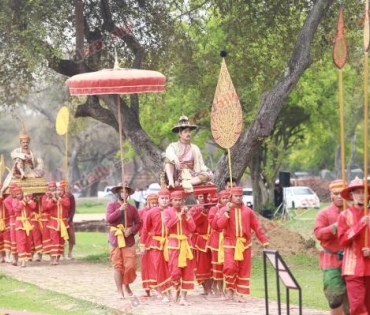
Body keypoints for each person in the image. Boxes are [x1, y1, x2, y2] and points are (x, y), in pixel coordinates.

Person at [216, 186, 269, 302]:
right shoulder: (224, 210)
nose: (238, 198)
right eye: (236, 196)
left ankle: (239, 294)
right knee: (230, 267)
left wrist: (264, 240)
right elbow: (219, 226)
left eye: (240, 196)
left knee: (243, 269)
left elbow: (257, 226)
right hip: (229, 243)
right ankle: (230, 290)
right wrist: (226, 213)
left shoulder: (248, 211)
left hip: (245, 244)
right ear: (231, 197)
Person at [314, 179, 349, 315]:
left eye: (342, 193)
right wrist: (333, 227)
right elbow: (318, 233)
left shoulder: (353, 211)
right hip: (331, 260)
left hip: (352, 260)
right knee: (334, 297)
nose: (340, 196)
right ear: (331, 196)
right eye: (336, 193)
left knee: (354, 296)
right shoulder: (324, 214)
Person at [337, 177, 370, 314]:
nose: (361, 195)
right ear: (351, 196)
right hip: (352, 268)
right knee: (357, 307)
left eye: (363, 192)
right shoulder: (344, 216)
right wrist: (361, 224)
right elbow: (343, 241)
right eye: (357, 192)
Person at [106, 182, 142, 299]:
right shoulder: (112, 205)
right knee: (118, 265)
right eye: (122, 191)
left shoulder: (132, 208)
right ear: (118, 193)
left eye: (126, 191)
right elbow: (109, 219)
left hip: (128, 239)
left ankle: (126, 284)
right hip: (115, 238)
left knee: (130, 265)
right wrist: (120, 210)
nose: (124, 193)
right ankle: (120, 291)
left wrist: (131, 230)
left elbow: (139, 222)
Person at [164, 115, 213, 192]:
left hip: (192, 175)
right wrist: (175, 158)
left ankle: (185, 183)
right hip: (177, 174)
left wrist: (207, 170)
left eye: (189, 131)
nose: (188, 133)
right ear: (179, 134)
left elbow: (201, 164)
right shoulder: (173, 145)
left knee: (208, 175)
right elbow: (168, 152)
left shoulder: (195, 148)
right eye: (185, 131)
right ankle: (171, 182)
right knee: (168, 159)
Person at [164, 190, 196, 305]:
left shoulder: (187, 213)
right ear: (171, 201)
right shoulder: (167, 212)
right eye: (175, 200)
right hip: (173, 245)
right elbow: (168, 225)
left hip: (186, 245)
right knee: (175, 271)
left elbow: (192, 228)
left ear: (183, 201)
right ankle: (176, 293)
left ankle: (183, 298)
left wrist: (187, 216)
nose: (178, 202)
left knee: (187, 271)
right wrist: (179, 215)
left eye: (179, 200)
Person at [140, 189, 173, 303]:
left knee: (170, 268)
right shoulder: (151, 212)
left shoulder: (172, 211)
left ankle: (169, 290)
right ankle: (163, 292)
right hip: (155, 244)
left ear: (170, 200)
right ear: (158, 200)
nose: (164, 201)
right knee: (159, 267)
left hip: (169, 243)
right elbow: (145, 229)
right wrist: (143, 245)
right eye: (162, 198)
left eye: (166, 198)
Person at [207, 190, 230, 297]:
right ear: (220, 199)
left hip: (229, 240)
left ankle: (229, 288)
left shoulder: (232, 209)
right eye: (223, 198)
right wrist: (219, 213)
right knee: (218, 266)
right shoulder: (213, 209)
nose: (225, 200)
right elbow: (213, 225)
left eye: (227, 198)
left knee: (229, 265)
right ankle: (220, 289)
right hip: (216, 240)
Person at [45, 180, 71, 265]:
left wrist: (60, 199)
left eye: (61, 190)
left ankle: (57, 259)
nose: (59, 192)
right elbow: (47, 207)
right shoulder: (52, 199)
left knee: (61, 241)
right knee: (54, 240)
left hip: (63, 223)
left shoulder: (65, 198)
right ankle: (52, 258)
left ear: (63, 191)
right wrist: (53, 200)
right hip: (53, 222)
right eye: (58, 190)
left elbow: (67, 205)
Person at [138, 193, 159, 297]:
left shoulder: (160, 211)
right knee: (145, 266)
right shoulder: (142, 212)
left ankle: (157, 286)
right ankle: (147, 289)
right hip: (145, 239)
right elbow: (139, 225)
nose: (154, 205)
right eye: (152, 203)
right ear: (148, 202)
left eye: (156, 203)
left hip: (155, 241)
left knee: (155, 265)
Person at [12, 185, 36, 267]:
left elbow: (33, 206)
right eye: (17, 194)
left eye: (20, 194)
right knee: (21, 241)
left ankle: (25, 258)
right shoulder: (14, 201)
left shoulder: (27, 200)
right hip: (19, 223)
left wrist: (28, 200)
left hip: (28, 223)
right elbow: (17, 208)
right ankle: (22, 261)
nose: (19, 195)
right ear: (15, 195)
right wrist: (23, 202)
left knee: (28, 241)